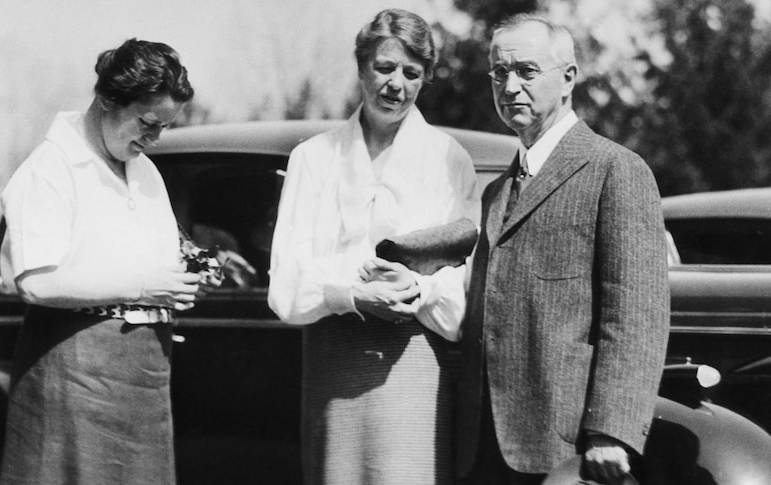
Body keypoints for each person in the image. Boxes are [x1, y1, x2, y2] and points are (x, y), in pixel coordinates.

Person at [375, 13, 670, 485]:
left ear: (568, 78)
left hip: (567, 447)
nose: (510, 86)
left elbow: (636, 317)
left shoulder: (616, 170)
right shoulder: (496, 192)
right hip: (483, 448)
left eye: (527, 71)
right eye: (499, 72)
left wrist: (612, 430)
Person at [268, 9, 480, 484]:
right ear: (362, 66)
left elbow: (467, 282)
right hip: (333, 364)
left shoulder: (450, 159)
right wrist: (350, 295)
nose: (396, 85)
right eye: (385, 68)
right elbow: (285, 281)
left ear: (426, 78)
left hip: (417, 366)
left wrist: (419, 290)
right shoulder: (314, 158)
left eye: (412, 73)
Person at [0, 39, 207, 484]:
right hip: (73, 377)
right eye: (147, 123)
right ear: (108, 101)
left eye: (163, 128)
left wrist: (189, 276)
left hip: (144, 379)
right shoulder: (51, 167)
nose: (153, 139)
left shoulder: (145, 170)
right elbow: (36, 282)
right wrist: (142, 286)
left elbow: (157, 262)